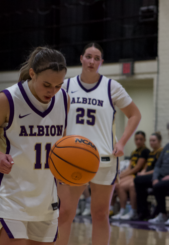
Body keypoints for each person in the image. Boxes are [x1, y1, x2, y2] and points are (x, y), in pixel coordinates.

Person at [0, 47, 68, 244]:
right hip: (11, 194)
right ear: (32, 74)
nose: (52, 91)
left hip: (46, 197)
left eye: (58, 85)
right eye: (47, 84)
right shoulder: (8, 99)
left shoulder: (64, 99)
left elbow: (61, 143)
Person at [57, 43, 141, 245]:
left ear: (101, 62)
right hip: (71, 159)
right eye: (89, 56)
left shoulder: (112, 87)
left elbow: (134, 115)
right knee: (65, 212)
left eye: (97, 58)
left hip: (103, 160)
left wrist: (121, 143)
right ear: (81, 58)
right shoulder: (66, 86)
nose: (92, 61)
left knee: (101, 214)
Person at [111, 131, 150, 220]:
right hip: (131, 174)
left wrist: (122, 176)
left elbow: (136, 168)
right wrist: (119, 175)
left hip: (138, 176)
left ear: (144, 140)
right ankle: (122, 210)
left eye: (141, 139)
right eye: (136, 139)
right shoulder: (134, 151)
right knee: (117, 184)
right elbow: (129, 168)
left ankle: (133, 211)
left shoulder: (145, 151)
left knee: (126, 186)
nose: (138, 141)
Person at [134, 134, 169, 223]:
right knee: (138, 180)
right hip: (161, 176)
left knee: (158, 186)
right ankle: (143, 212)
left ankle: (162, 213)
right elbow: (157, 165)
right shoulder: (167, 146)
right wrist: (155, 178)